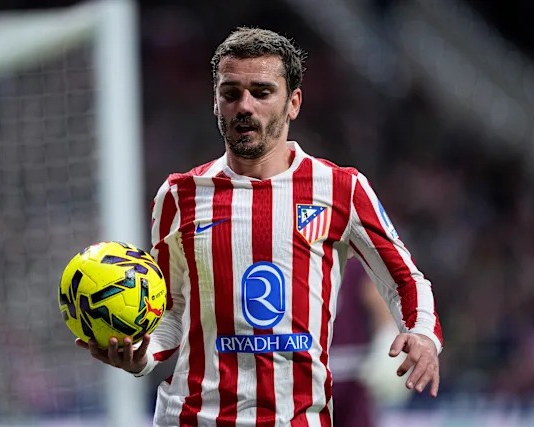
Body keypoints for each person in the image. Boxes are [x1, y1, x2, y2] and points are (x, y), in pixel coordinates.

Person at [76, 27, 443, 426]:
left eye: (262, 92)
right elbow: (170, 309)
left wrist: (423, 332)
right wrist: (142, 357)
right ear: (216, 102)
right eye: (231, 93)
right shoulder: (179, 195)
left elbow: (404, 279)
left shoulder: (342, 189)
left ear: (293, 103)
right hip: (194, 417)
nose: (244, 106)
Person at [331, 257, 411, 427]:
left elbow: (375, 301)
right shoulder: (354, 258)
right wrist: (387, 338)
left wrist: (386, 339)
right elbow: (377, 301)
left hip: (343, 373)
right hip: (345, 374)